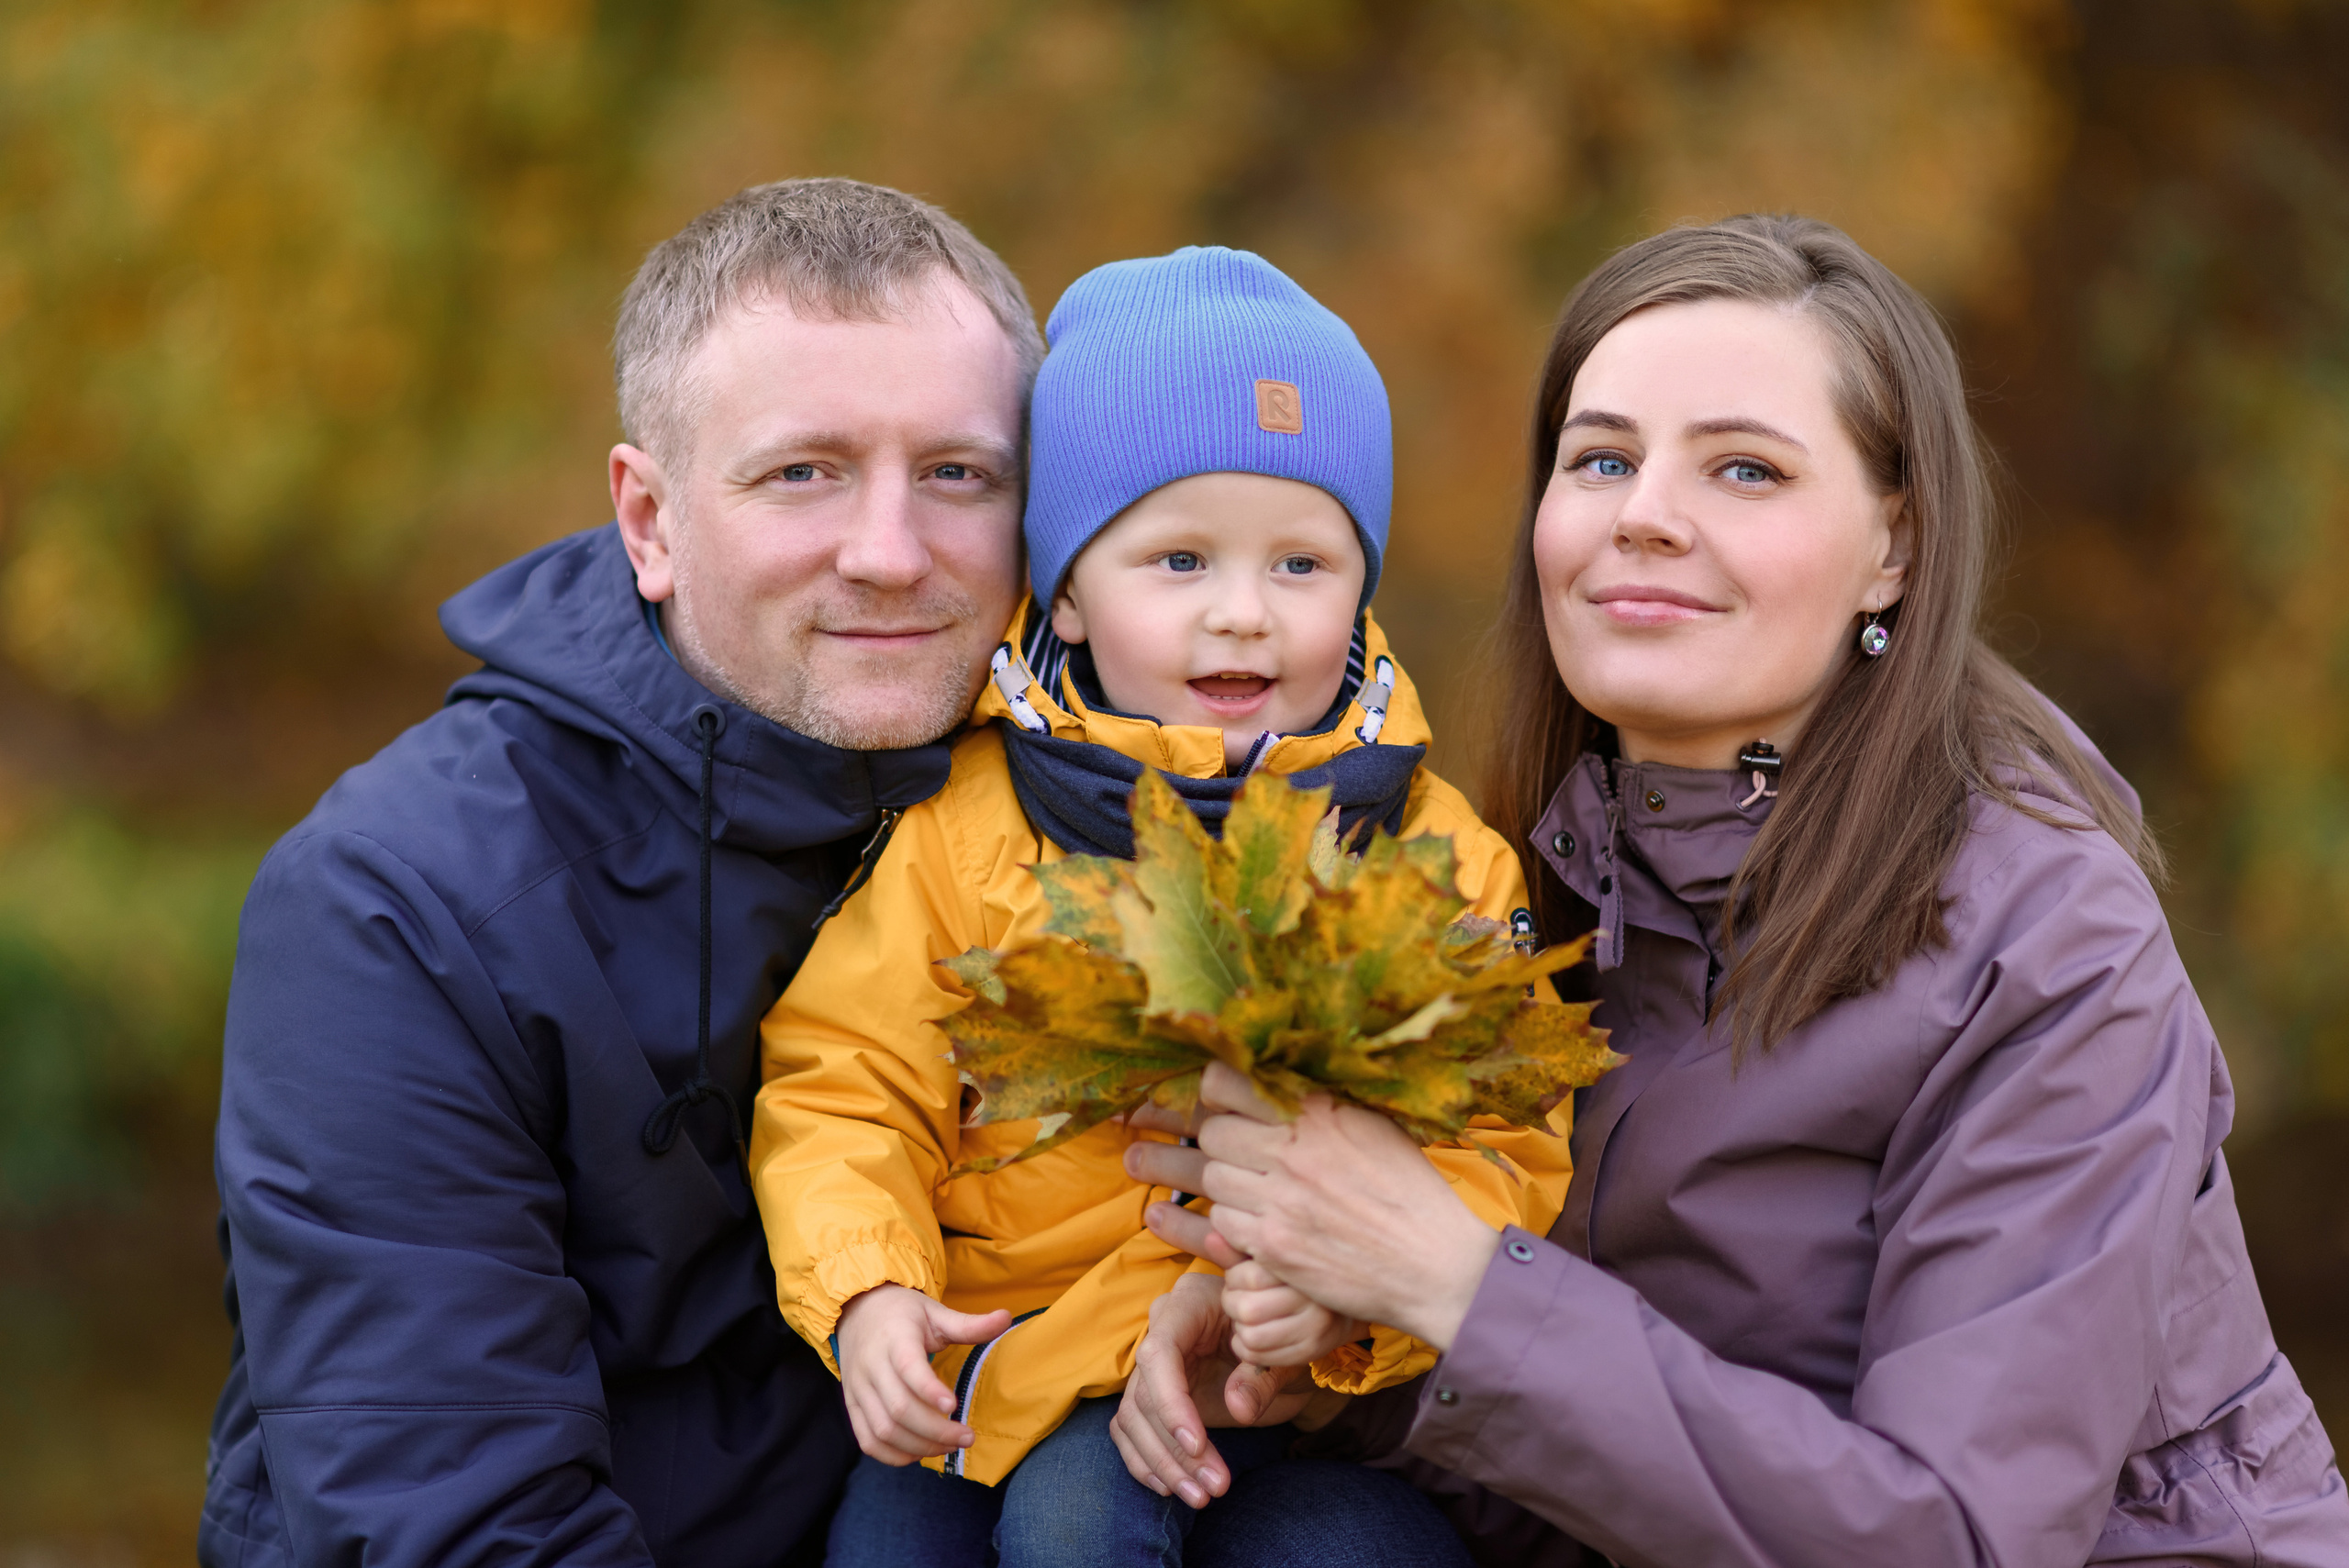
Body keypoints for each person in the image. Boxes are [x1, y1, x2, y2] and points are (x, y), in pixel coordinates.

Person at [1124, 215, 2349, 1567]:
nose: (1643, 512)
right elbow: (1610, 1475)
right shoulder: (1514, 887)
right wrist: (1353, 1354)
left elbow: (1959, 1539)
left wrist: (1458, 1285)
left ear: (1896, 547)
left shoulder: (2051, 945)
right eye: (1601, 458)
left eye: (1745, 469)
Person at [201, 179, 1040, 1568]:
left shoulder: (1090, 816)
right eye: (803, 472)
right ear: (648, 518)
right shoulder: (398, 904)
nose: (892, 553)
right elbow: (468, 1530)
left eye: (958, 473)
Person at [748, 246, 1567, 1567]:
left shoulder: (1431, 854)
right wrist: (870, 1292)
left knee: (1091, 1522)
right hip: (988, 1357)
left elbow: (1500, 1138)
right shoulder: (970, 832)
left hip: (1264, 1370)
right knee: (884, 1537)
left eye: (1302, 564)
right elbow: (848, 1081)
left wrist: (1343, 1303)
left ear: (1362, 584)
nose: (1243, 616)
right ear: (1068, 590)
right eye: (1179, 559)